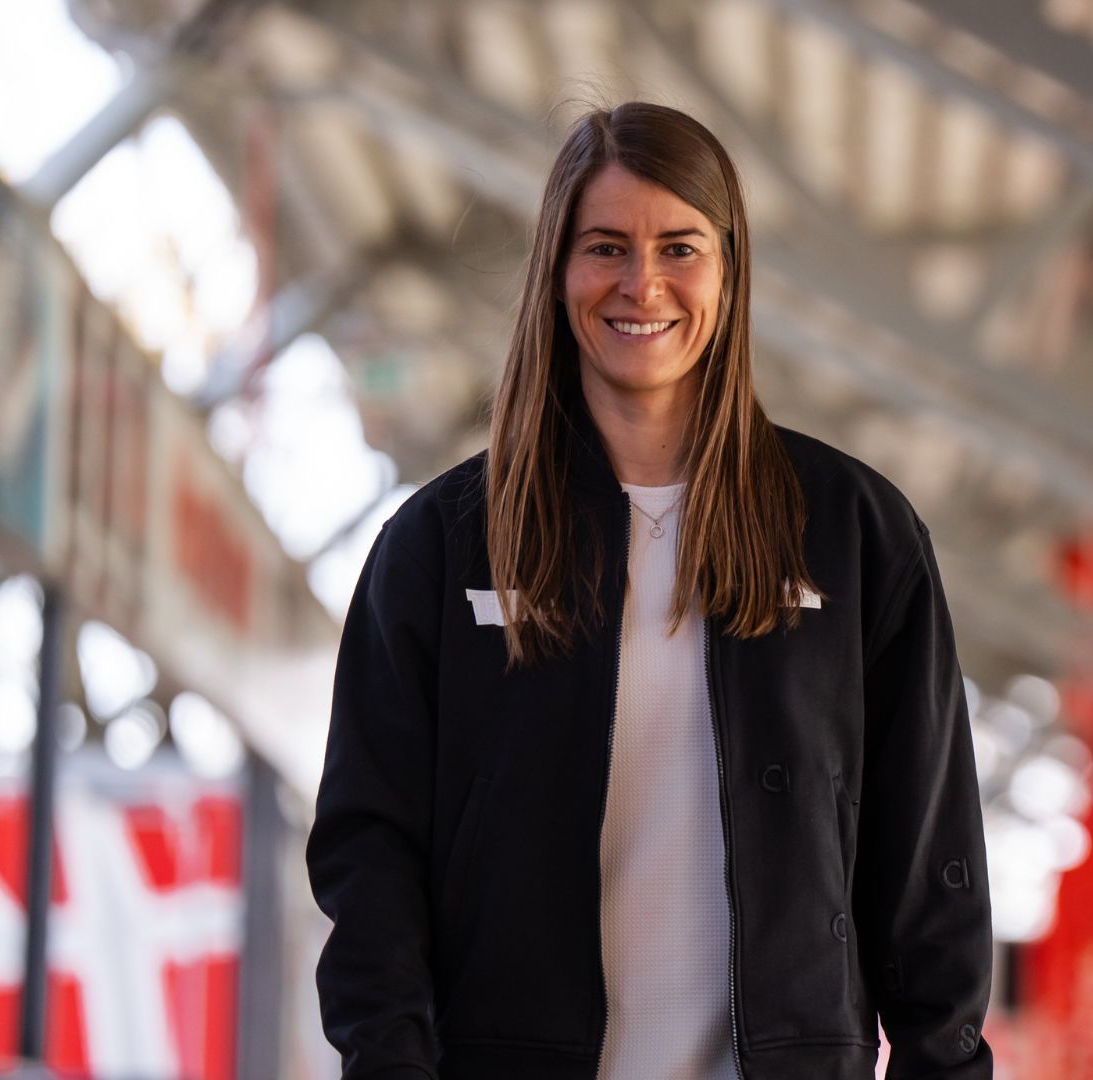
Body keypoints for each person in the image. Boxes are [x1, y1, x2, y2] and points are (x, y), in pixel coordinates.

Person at [305, 101, 994, 1079]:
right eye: (605, 248)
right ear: (556, 270)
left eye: (680, 247)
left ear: (729, 269)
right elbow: (368, 852)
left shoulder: (855, 537)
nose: (643, 284)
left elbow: (930, 864)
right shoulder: (444, 546)